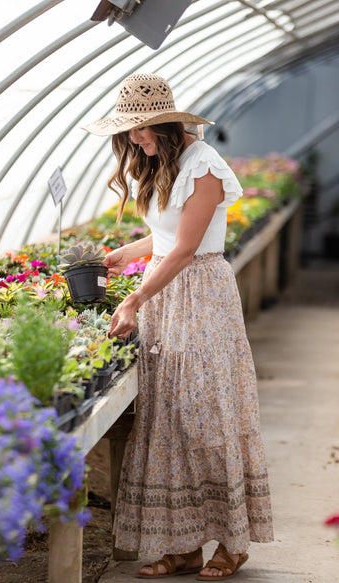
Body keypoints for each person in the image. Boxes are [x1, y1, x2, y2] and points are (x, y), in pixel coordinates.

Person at [83, 73, 273, 580]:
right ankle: (184, 544)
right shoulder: (166, 163)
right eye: (129, 133)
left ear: (167, 124)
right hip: (168, 297)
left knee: (207, 415)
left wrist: (135, 299)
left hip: (200, 297)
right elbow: (168, 236)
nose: (136, 141)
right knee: (169, 417)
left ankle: (232, 544)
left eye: (142, 130)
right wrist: (129, 253)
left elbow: (189, 248)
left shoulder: (205, 167)